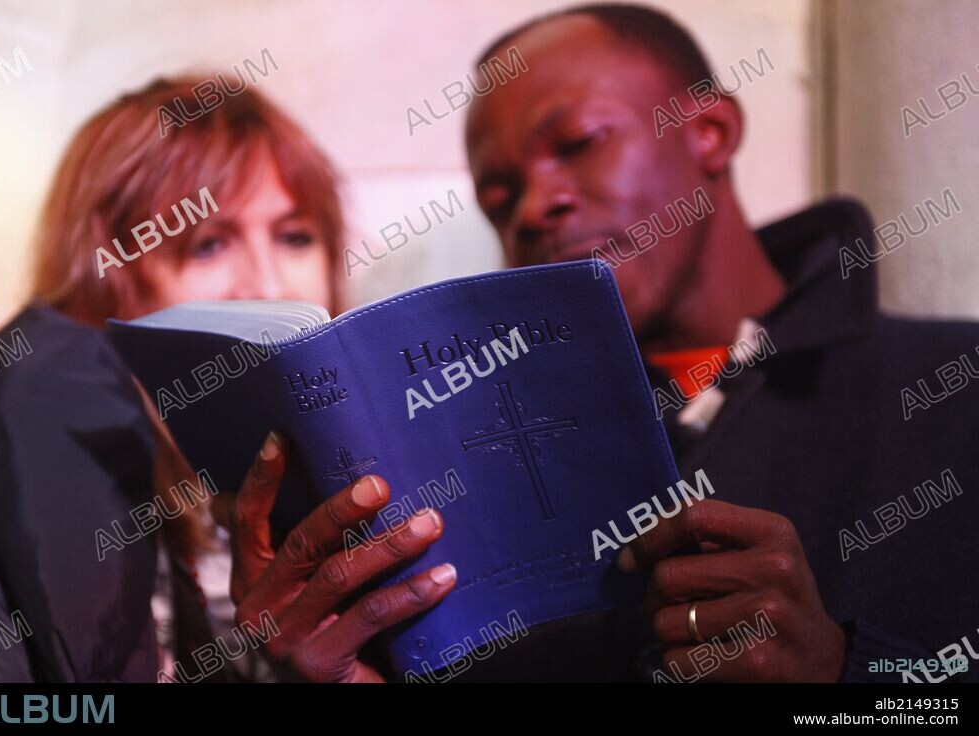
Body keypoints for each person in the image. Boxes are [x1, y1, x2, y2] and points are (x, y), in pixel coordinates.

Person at [226, 3, 978, 683]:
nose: (536, 205)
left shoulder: (952, 390)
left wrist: (845, 676)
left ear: (709, 132)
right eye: (499, 195)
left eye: (579, 142)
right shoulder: (466, 463)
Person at [0, 75, 365, 682]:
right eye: (208, 245)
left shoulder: (349, 480)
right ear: (109, 277)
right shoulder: (21, 442)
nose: (270, 287)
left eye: (296, 237)